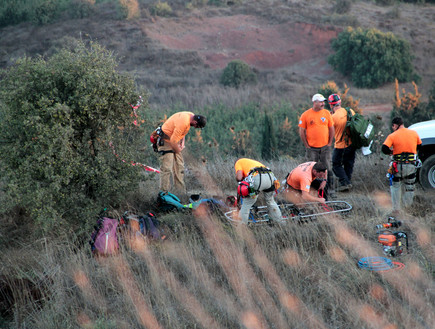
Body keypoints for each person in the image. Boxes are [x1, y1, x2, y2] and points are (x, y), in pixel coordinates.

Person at [157, 111, 207, 193]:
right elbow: (173, 141)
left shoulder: (191, 116)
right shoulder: (183, 122)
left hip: (174, 141)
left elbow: (182, 132)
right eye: (197, 126)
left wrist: (182, 144)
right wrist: (179, 150)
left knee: (179, 167)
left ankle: (180, 193)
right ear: (195, 122)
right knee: (167, 168)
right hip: (166, 140)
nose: (195, 128)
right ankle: (163, 193)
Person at [382, 117, 422, 214]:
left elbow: (384, 149)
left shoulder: (393, 135)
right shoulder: (414, 133)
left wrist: (391, 152)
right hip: (411, 166)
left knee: (395, 186)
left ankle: (396, 209)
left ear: (395, 125)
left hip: (398, 166)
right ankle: (407, 208)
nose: (392, 128)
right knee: (410, 186)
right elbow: (419, 146)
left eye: (393, 126)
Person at [299, 94, 335, 195]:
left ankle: (330, 189)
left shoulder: (327, 113)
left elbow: (331, 128)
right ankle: (311, 189)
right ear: (314, 102)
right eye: (320, 102)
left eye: (323, 101)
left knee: (327, 167)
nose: (323, 104)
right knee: (310, 169)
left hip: (325, 147)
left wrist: (329, 143)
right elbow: (302, 131)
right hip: (311, 148)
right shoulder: (306, 114)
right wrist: (306, 145)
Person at [234, 158, 283, 224]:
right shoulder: (252, 162)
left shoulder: (238, 162)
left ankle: (241, 226)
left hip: (258, 177)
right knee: (270, 201)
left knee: (247, 203)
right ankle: (279, 222)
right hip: (270, 176)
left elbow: (239, 178)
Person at [328, 94, 356, 192]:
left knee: (336, 165)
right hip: (352, 144)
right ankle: (347, 184)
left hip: (340, 145)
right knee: (348, 164)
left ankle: (345, 182)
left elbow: (329, 130)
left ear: (331, 105)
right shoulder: (350, 111)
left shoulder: (334, 117)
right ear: (340, 102)